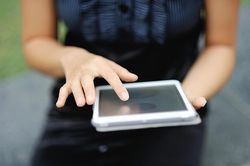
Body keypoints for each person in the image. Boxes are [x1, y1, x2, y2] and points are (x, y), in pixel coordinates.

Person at [21, 0, 239, 166]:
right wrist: (71, 59)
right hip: (85, 101)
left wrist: (184, 100)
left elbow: (220, 46)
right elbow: (36, 41)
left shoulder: (180, 100)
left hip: (175, 99)